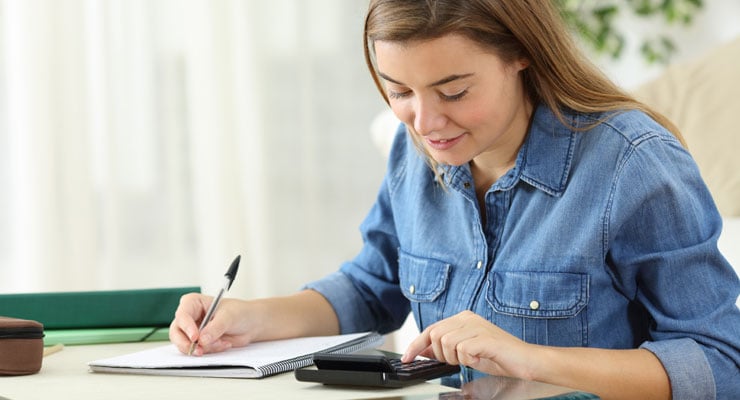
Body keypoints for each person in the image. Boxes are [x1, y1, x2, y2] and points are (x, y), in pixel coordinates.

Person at [169, 1, 740, 398]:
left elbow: (720, 362)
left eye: (454, 91)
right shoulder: (413, 150)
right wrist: (249, 320)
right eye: (399, 92)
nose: (426, 121)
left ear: (522, 54)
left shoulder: (632, 164)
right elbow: (372, 288)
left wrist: (531, 360)